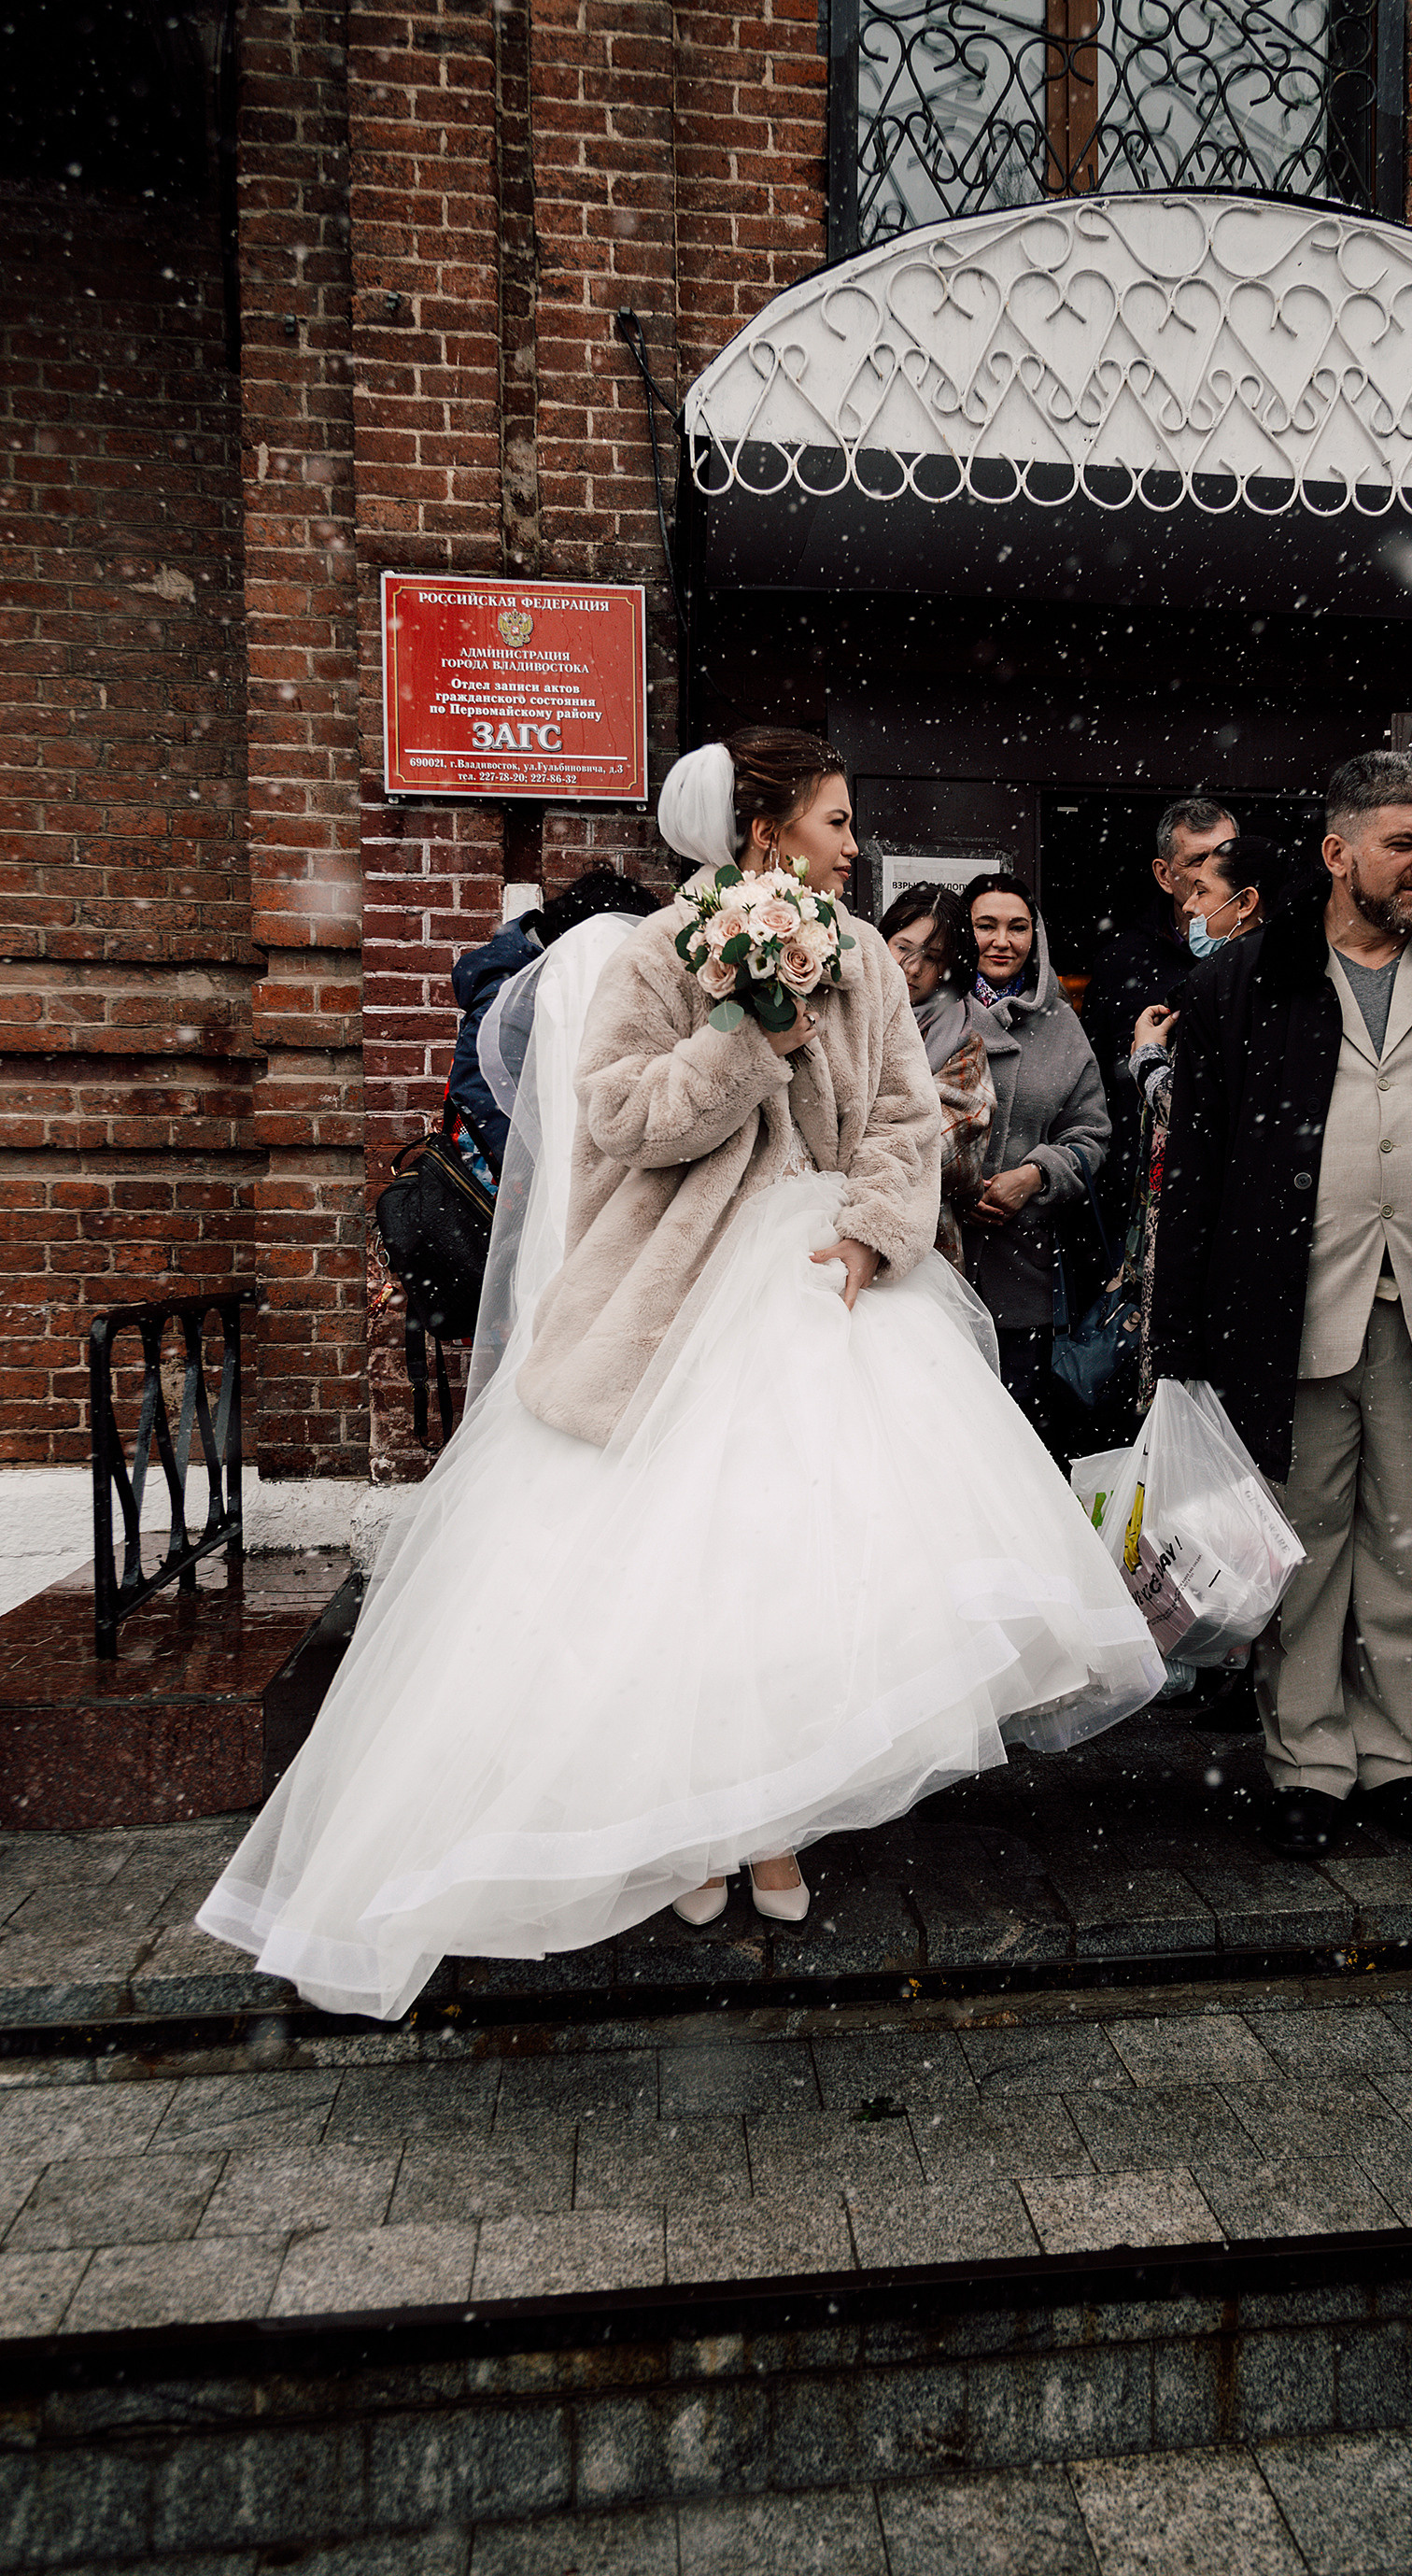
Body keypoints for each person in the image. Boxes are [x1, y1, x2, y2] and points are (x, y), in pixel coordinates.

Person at [198, 729, 1161, 2016]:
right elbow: (625, 1121)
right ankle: (699, 1822)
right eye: (831, 819)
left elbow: (900, 1117)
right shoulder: (659, 953)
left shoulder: (866, 954)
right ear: (766, 833)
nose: (852, 843)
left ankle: (770, 1811)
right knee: (679, 1576)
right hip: (681, 1295)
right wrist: (747, 1037)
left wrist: (876, 1233)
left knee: (805, 1570)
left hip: (829, 1284)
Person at [1151, 750, 1412, 1861]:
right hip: (1286, 1313)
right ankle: (1309, 1762)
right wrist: (1178, 1340)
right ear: (1338, 853)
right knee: (1306, 1548)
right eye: (1402, 844)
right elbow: (1195, 1168)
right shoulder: (1239, 983)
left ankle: (1394, 1757)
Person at [1126, 834, 1291, 1415]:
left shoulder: (1223, 983)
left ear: (1244, 903)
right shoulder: (1292, 974)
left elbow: (1194, 1111)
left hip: (1208, 1208)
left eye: (1202, 891)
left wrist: (1146, 1057)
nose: (1191, 907)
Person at [956, 872, 1110, 1445]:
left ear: (1035, 936)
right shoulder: (929, 1010)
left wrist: (1035, 1173)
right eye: (985, 926)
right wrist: (955, 1188)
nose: (1002, 940)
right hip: (934, 1263)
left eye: (1017, 927)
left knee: (1014, 1444)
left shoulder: (1060, 1022)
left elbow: (1091, 1133)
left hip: (1026, 1276)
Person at [452, 867, 665, 1185]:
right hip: (505, 1194)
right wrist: (553, 1181)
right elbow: (483, 1102)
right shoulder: (513, 1000)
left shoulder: (552, 979)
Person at [1083, 797, 1236, 1224]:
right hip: (1144, 1189)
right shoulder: (1122, 964)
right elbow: (1095, 1084)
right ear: (1165, 875)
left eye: (1226, 855)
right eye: (1198, 859)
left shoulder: (1273, 961)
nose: (1214, 871)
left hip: (1240, 1182)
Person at [879, 882, 995, 1268]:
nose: (911, 967)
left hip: (920, 1244)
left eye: (931, 957)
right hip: (819, 1220)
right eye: (902, 947)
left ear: (949, 968)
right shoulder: (839, 1012)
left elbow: (940, 1151)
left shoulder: (963, 1042)